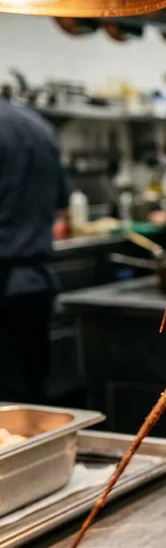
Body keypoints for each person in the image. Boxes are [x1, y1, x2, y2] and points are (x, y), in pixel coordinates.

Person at [0, 98, 70, 404]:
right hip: (37, 281)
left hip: (3, 281)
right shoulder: (40, 127)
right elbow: (61, 204)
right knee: (33, 387)